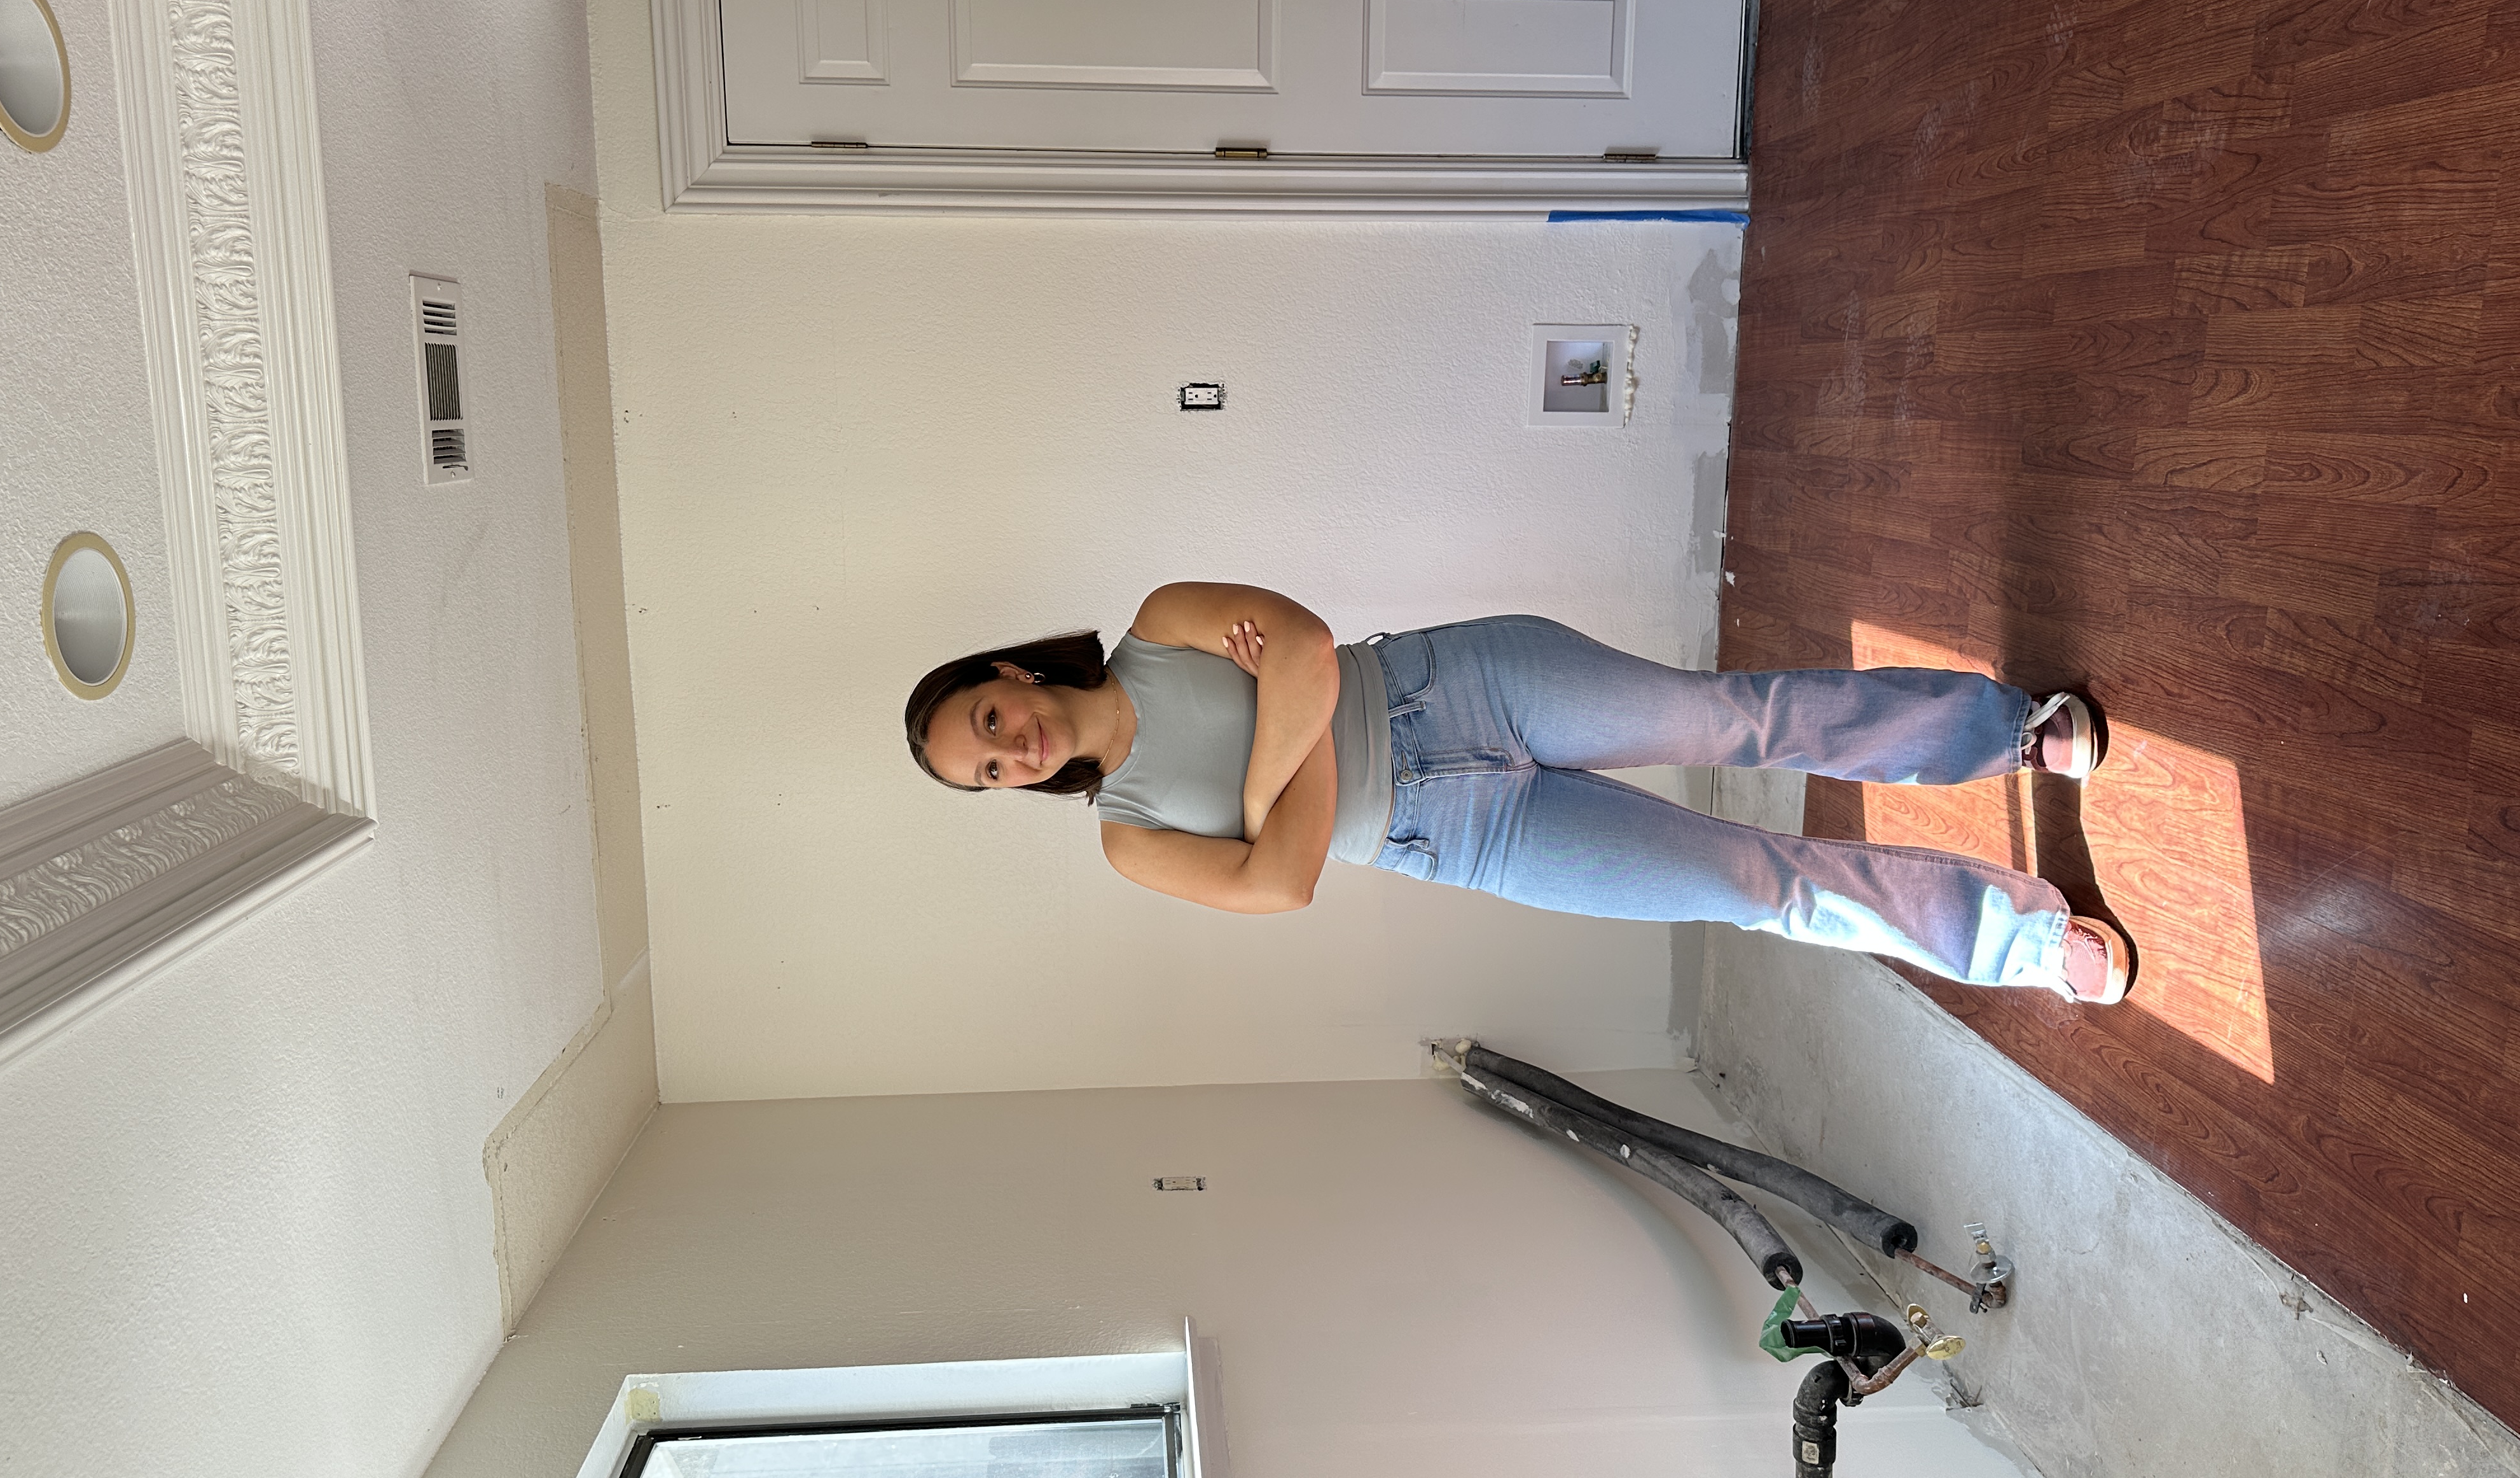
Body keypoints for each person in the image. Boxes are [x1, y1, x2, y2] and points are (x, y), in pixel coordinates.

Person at [905, 582, 2132, 1003]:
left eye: (989, 722)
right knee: (1757, 889)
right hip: (1470, 837)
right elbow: (1280, 889)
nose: (1011, 751)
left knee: (1731, 718)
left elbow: (1313, 643)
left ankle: (2002, 731)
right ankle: (2024, 946)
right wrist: (1297, 717)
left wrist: (1285, 771)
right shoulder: (1128, 840)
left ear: (1007, 673)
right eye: (993, 772)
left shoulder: (1160, 623)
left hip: (1468, 683)